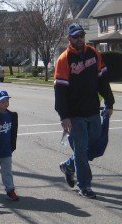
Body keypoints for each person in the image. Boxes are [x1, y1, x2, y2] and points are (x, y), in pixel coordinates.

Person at [54, 23, 115, 199]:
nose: (79, 39)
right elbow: (60, 91)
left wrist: (109, 102)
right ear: (69, 38)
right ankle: (85, 186)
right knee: (81, 150)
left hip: (93, 110)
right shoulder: (64, 60)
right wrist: (64, 116)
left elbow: (103, 80)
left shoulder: (94, 54)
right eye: (75, 36)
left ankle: (68, 165)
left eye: (81, 35)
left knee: (94, 148)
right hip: (75, 114)